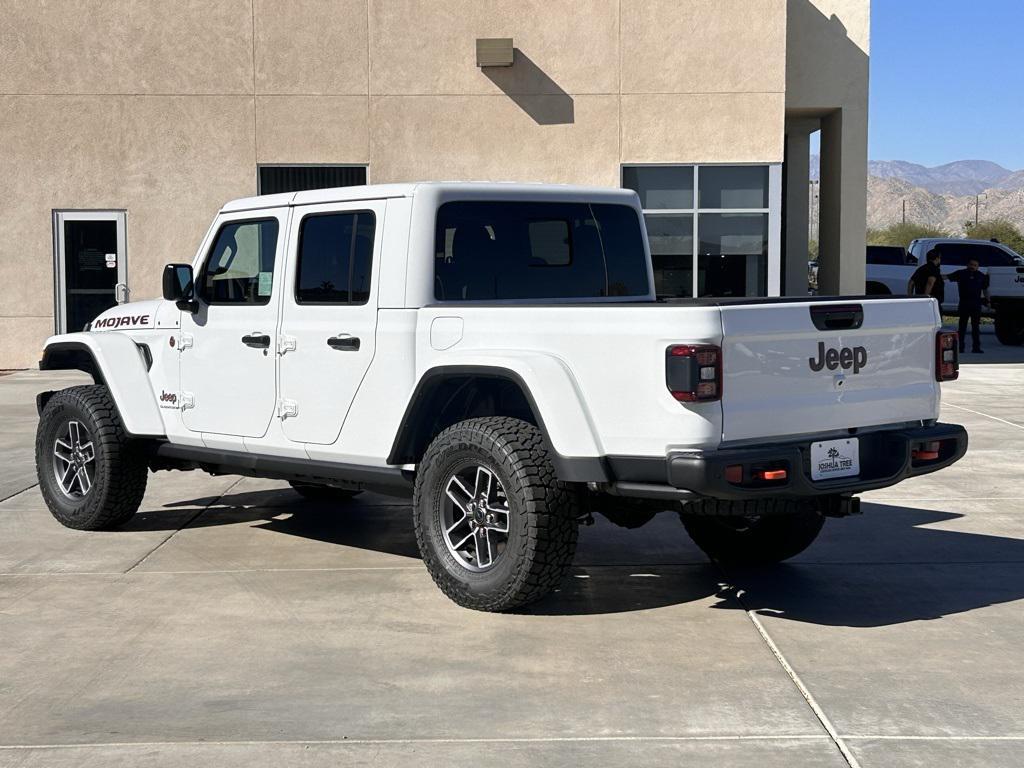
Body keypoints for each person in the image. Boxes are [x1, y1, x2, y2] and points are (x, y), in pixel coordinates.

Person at [948, 258, 990, 353]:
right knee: (962, 327)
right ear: (967, 265)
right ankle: (960, 347)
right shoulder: (961, 273)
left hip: (976, 305)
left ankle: (976, 348)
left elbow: (985, 290)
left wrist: (988, 301)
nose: (972, 267)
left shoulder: (981, 276)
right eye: (971, 264)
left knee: (976, 328)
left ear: (978, 267)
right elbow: (947, 277)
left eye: (975, 265)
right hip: (964, 304)